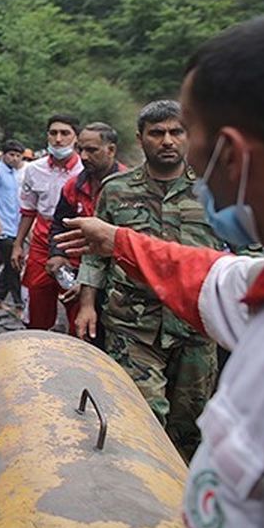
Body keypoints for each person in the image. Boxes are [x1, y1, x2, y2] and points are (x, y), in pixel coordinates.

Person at [56, 11, 264, 528]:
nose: (175, 146)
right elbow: (209, 277)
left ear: (229, 154)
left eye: (190, 132)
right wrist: (116, 239)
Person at [73, 102, 223, 460]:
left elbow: (247, 252)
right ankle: (132, 500)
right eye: (157, 133)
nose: (167, 141)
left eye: (176, 132)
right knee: (140, 418)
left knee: (191, 427)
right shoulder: (116, 189)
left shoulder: (215, 190)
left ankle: (178, 505)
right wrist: (87, 304)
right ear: (141, 139)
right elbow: (95, 251)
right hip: (133, 324)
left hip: (195, 328)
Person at [46, 122, 127, 347]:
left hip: (118, 283)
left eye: (92, 150)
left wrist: (88, 283)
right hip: (81, 273)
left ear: (111, 150)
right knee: (85, 339)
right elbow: (59, 225)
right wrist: (57, 254)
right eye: (81, 149)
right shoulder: (73, 186)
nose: (84, 156)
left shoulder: (128, 187)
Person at [11, 114, 83, 331]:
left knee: (77, 304)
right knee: (37, 301)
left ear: (76, 138)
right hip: (41, 241)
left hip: (76, 242)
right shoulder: (34, 169)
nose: (58, 139)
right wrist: (18, 244)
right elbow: (28, 211)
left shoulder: (84, 172)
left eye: (65, 133)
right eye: (53, 133)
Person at [0, 139, 26, 314]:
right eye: (12, 155)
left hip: (14, 225)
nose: (15, 158)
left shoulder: (15, 175)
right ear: (4, 155)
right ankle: (18, 303)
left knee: (8, 263)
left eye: (18, 155)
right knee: (13, 265)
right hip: (2, 227)